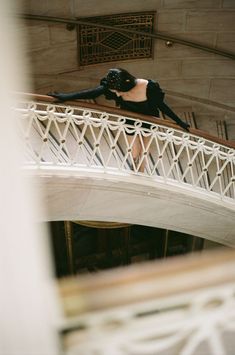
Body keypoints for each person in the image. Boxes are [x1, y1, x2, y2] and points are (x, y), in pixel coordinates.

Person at [48, 68, 190, 172]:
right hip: (129, 118)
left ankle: (141, 170)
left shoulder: (148, 87)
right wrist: (65, 97)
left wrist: (180, 122)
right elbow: (91, 93)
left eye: (119, 91)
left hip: (150, 119)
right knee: (134, 149)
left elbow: (162, 106)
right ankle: (135, 169)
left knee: (145, 148)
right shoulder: (114, 86)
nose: (117, 94)